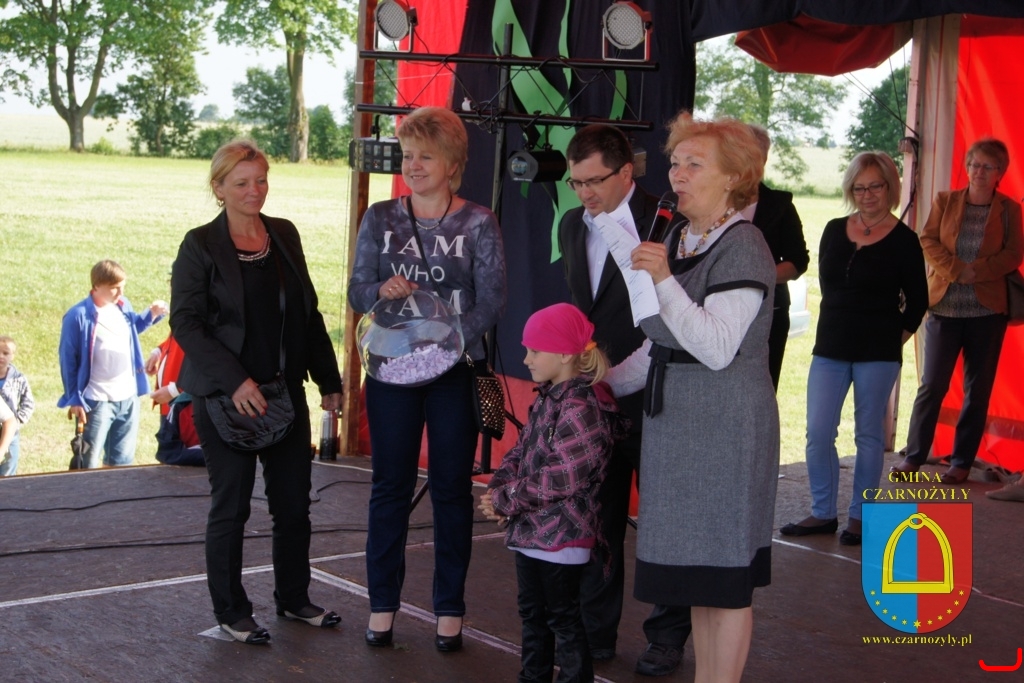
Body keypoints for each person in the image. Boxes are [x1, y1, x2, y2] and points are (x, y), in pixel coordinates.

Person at [604, 113, 778, 683]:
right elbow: (663, 338)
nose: (677, 174)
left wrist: (661, 279)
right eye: (675, 163)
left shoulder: (745, 244)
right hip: (679, 426)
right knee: (701, 582)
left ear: (734, 177)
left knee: (725, 582)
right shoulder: (678, 237)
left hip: (725, 429)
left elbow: (717, 346)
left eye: (694, 165)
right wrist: (603, 377)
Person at [171, 139, 344, 644]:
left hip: (283, 394)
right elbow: (186, 323)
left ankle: (293, 598)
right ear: (219, 188)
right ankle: (232, 611)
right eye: (242, 182)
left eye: (261, 180)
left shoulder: (283, 234)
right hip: (224, 398)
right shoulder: (200, 244)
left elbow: (308, 312)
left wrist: (329, 381)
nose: (255, 191)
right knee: (232, 508)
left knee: (293, 505)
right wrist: (235, 380)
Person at [348, 106, 507, 652]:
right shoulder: (380, 218)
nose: (413, 166)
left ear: (453, 163)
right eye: (408, 155)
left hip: (454, 373)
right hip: (392, 369)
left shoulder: (479, 222)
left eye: (426, 156)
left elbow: (493, 300)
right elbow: (357, 291)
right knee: (389, 486)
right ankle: (382, 605)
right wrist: (379, 291)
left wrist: (448, 343)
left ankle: (449, 611)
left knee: (450, 490)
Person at [556, 123, 691, 676]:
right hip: (599, 395)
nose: (585, 193)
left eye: (595, 181)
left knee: (665, 521)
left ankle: (666, 636)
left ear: (627, 172)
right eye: (576, 182)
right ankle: (596, 632)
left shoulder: (670, 221)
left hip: (662, 392)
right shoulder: (571, 225)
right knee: (599, 515)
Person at [780, 152, 928, 545]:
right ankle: (822, 512)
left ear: (890, 188)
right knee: (818, 432)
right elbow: (830, 287)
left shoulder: (905, 240)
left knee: (868, 436)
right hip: (829, 347)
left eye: (875, 186)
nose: (867, 195)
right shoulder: (833, 229)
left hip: (878, 353)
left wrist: (892, 340)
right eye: (859, 188)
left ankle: (861, 515)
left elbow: (918, 301)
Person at [480, 303, 629, 683]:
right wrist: (499, 488)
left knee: (562, 619)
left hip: (562, 536)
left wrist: (505, 499)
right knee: (534, 616)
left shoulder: (583, 406)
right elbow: (520, 451)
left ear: (564, 355)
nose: (526, 359)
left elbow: (561, 478)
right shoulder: (551, 396)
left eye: (534, 350)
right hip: (534, 531)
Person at [893, 138, 1024, 484]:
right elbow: (927, 239)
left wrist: (976, 272)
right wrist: (956, 270)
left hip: (988, 313)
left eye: (988, 167)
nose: (979, 172)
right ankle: (914, 456)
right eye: (975, 164)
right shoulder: (945, 201)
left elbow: (1014, 254)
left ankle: (962, 462)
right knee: (932, 385)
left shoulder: (1009, 210)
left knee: (977, 391)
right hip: (944, 308)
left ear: (1000, 173)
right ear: (967, 167)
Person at [58, 260, 167, 468]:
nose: (120, 293)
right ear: (97, 285)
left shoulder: (123, 306)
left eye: (122, 286)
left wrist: (152, 314)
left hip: (128, 399)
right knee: (87, 463)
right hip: (96, 401)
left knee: (122, 464)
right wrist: (75, 398)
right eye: (114, 288)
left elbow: (132, 328)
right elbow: (68, 360)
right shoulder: (77, 316)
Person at [741, 126, 810, 391]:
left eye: (755, 157)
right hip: (716, 309)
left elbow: (798, 261)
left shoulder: (780, 204)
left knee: (763, 389)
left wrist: (758, 278)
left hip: (770, 312)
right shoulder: (714, 200)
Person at [146, 334, 203, 466]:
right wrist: (159, 350)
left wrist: (176, 390)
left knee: (187, 466)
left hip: (187, 404)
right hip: (172, 403)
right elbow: (177, 335)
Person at [0, 335, 34, 476]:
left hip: (11, 432)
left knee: (8, 467)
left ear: (12, 356)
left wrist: (17, 421)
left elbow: (28, 403)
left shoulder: (18, 378)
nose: (1, 356)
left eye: (5, 353)